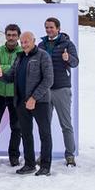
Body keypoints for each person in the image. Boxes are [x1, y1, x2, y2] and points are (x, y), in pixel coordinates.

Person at [0, 31, 54, 176]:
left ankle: (45, 166)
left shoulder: (43, 55)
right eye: (22, 42)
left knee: (44, 134)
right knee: (26, 134)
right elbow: (10, 77)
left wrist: (34, 98)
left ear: (33, 41)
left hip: (39, 102)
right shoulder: (19, 57)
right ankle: (29, 164)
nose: (24, 44)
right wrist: (0, 74)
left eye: (27, 41)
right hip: (21, 102)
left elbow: (48, 80)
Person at [40, 17, 80, 166]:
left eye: (51, 27)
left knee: (66, 124)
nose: (49, 30)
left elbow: (75, 62)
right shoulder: (41, 45)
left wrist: (68, 57)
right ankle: (45, 155)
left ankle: (70, 155)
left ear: (58, 28)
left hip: (61, 88)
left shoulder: (67, 44)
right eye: (46, 27)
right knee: (45, 125)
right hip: (45, 90)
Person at [0, 24, 24, 167]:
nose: (11, 38)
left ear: (18, 36)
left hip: (15, 95)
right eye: (9, 35)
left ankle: (14, 156)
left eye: (14, 35)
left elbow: (21, 69)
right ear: (5, 35)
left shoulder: (23, 52)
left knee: (16, 127)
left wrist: (2, 67)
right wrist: (12, 68)